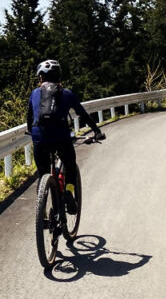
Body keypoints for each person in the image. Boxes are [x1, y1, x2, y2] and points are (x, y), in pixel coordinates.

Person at [27, 59, 105, 216]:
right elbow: (83, 114)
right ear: (59, 77)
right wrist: (96, 131)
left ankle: (41, 212)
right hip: (61, 138)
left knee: (42, 173)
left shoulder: (34, 94)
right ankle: (69, 191)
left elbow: (29, 119)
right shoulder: (67, 94)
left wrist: (32, 132)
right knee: (70, 165)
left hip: (40, 138)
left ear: (41, 77)